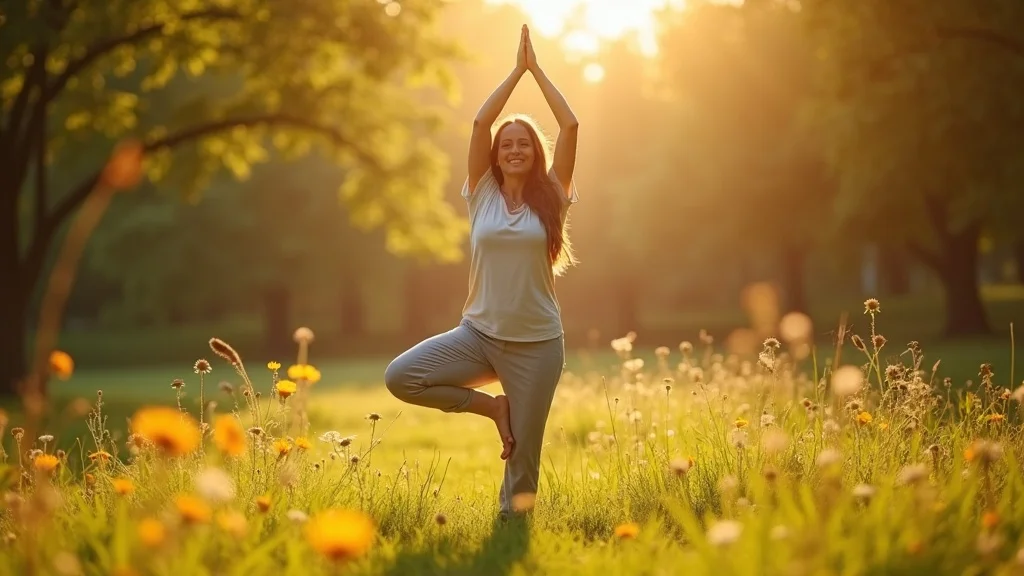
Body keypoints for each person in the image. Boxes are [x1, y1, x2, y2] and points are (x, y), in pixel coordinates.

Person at [384, 24, 579, 517]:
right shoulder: (483, 194)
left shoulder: (552, 197)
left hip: (537, 345)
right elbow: (477, 124)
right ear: (496, 154)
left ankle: (509, 533)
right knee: (401, 377)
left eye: (525, 144)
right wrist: (516, 72)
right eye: (507, 143)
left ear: (537, 154)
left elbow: (572, 127)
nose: (514, 149)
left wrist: (538, 71)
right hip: (479, 334)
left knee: (523, 466)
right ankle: (494, 408)